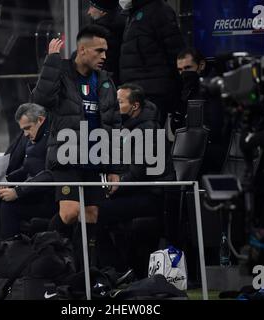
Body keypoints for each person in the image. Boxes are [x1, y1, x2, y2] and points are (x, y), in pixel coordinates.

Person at [31, 25, 121, 269]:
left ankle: (85, 273)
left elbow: (113, 125)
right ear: (82, 50)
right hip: (67, 155)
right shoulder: (61, 73)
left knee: (91, 214)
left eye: (106, 51)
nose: (104, 56)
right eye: (99, 51)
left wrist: (113, 167)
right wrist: (51, 62)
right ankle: (43, 259)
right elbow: (40, 100)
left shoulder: (105, 82)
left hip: (94, 158)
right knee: (70, 213)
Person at [0, 103, 55, 288]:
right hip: (33, 193)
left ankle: (7, 270)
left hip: (49, 199)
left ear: (40, 120)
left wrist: (17, 191)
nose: (24, 134)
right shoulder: (33, 139)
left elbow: (49, 175)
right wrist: (5, 181)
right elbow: (27, 169)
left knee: (9, 206)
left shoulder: (53, 138)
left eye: (27, 128)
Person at [96, 83, 169, 275]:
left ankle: (117, 270)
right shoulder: (127, 128)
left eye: (119, 102)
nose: (114, 106)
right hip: (132, 191)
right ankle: (115, 269)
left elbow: (138, 174)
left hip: (149, 195)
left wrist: (110, 187)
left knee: (92, 212)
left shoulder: (148, 131)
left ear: (135, 106)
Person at [119, 0, 185, 126]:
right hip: (135, 92)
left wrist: (178, 93)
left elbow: (175, 52)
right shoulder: (133, 14)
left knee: (148, 140)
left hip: (153, 93)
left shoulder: (159, 11)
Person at [87, 0, 126, 86]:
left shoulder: (100, 32)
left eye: (92, 7)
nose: (88, 12)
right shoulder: (125, 23)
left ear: (102, 10)